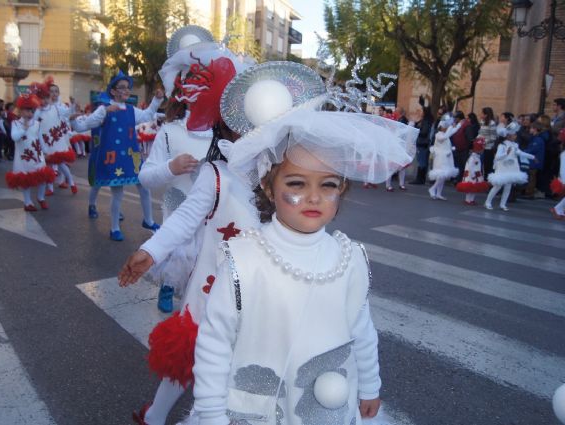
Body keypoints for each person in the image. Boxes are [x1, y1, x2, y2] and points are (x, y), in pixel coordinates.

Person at [188, 60, 415, 425]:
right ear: (268, 186)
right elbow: (215, 343)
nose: (313, 197)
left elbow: (361, 328)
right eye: (296, 183)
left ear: (342, 188)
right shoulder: (244, 260)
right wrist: (211, 414)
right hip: (259, 411)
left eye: (328, 185)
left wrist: (370, 385)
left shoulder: (349, 257)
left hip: (328, 410)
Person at [138, 34, 250, 314]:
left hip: (219, 222)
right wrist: (170, 168)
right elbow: (145, 177)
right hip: (179, 214)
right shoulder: (169, 131)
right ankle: (168, 287)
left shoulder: (227, 132)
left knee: (208, 279)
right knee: (180, 259)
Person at [71, 71, 162, 241]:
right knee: (118, 193)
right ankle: (114, 228)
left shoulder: (131, 109)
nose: (126, 90)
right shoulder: (102, 110)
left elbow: (147, 116)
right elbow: (82, 127)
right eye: (122, 87)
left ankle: (148, 220)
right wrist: (74, 120)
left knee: (144, 186)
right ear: (113, 91)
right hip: (113, 158)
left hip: (132, 157)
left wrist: (156, 100)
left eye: (128, 87)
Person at [5, 94, 55, 211]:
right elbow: (14, 137)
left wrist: (46, 151)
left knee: (42, 178)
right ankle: (28, 202)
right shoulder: (15, 124)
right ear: (21, 111)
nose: (30, 113)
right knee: (25, 180)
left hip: (37, 155)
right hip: (23, 157)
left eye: (32, 111)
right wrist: (24, 128)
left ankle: (41, 197)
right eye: (27, 111)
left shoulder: (37, 124)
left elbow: (40, 138)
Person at [31, 77, 78, 195]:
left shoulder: (57, 107)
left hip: (57, 138)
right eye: (50, 93)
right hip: (45, 140)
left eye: (55, 92)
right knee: (49, 164)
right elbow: (34, 123)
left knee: (61, 163)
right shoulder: (38, 110)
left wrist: (72, 105)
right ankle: (50, 187)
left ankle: (71, 182)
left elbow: (67, 114)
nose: (53, 95)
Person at [484, 122, 535, 211]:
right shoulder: (502, 145)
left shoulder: (515, 145)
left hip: (511, 167)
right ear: (508, 136)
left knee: (508, 186)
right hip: (502, 167)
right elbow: (497, 157)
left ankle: (503, 204)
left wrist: (532, 157)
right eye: (514, 134)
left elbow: (520, 153)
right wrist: (505, 153)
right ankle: (488, 202)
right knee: (498, 186)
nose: (515, 136)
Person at [428, 116, 460, 200]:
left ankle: (438, 193)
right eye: (445, 127)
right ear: (441, 127)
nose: (445, 128)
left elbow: (451, 133)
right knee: (441, 175)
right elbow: (444, 137)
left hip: (446, 157)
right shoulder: (438, 135)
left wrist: (458, 125)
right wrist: (450, 127)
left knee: (444, 176)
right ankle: (432, 189)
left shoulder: (446, 134)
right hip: (440, 158)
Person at [456, 137, 489, 205]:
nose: (482, 151)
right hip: (472, 175)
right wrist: (475, 175)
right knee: (470, 188)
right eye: (481, 149)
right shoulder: (473, 158)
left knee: (474, 188)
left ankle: (471, 200)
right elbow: (471, 167)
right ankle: (468, 200)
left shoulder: (476, 157)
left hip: (475, 175)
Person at [409, 99, 434, 185]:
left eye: (422, 111)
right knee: (421, 161)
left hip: (423, 143)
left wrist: (417, 130)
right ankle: (420, 178)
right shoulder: (424, 121)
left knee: (421, 162)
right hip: (422, 143)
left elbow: (424, 132)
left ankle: (420, 179)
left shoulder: (426, 122)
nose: (421, 112)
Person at [522, 121, 545, 199]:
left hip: (535, 161)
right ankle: (527, 191)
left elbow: (533, 149)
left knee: (532, 177)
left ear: (535, 129)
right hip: (531, 161)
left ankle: (529, 193)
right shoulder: (534, 138)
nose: (529, 130)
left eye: (531, 128)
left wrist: (524, 152)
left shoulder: (538, 140)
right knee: (530, 176)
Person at [478, 107, 497, 178]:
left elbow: (493, 137)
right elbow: (480, 133)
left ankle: (487, 180)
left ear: (486, 115)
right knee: (480, 164)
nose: (480, 114)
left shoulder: (492, 123)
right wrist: (477, 139)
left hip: (488, 148)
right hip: (480, 147)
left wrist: (483, 141)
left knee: (487, 166)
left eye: (482, 113)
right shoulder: (482, 122)